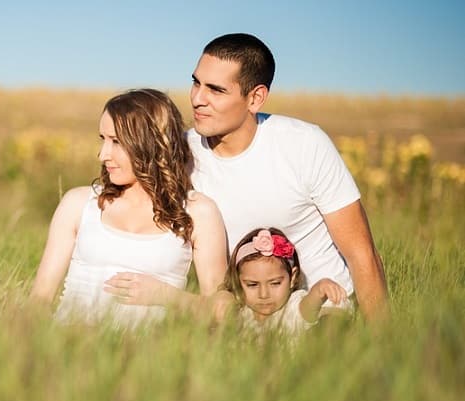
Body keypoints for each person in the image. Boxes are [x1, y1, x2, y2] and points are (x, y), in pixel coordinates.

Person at [106, 33, 388, 321]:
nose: (198, 99)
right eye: (196, 83)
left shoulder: (305, 145)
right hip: (243, 317)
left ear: (255, 98)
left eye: (216, 90)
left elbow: (361, 254)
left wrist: (382, 347)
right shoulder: (181, 154)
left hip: (322, 312)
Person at [30, 88, 227, 328]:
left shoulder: (199, 212)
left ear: (153, 143)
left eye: (117, 142)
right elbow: (39, 301)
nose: (103, 154)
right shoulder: (79, 204)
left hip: (150, 359)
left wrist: (166, 295)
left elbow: (223, 312)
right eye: (103, 140)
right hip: (71, 350)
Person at [214, 228, 349, 334]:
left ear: (293, 277)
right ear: (238, 281)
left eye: (275, 283)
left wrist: (319, 290)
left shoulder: (292, 307)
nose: (264, 294)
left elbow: (308, 308)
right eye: (252, 285)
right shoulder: (241, 311)